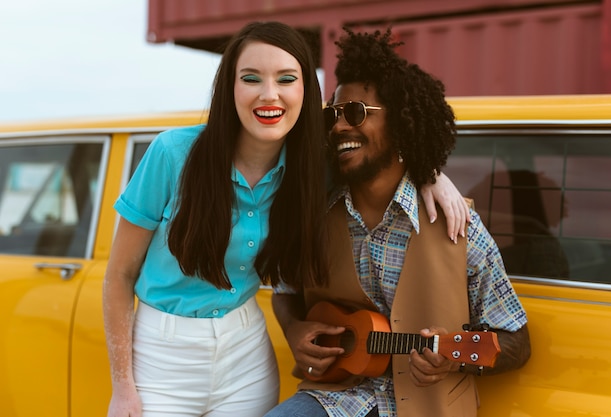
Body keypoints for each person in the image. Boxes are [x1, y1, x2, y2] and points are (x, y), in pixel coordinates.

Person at [102, 21, 468, 417]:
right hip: (161, 358)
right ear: (231, 88)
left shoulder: (312, 168)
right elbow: (119, 276)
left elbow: (385, 155)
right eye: (251, 78)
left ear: (305, 92)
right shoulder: (173, 153)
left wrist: (429, 173)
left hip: (244, 355)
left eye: (287, 78)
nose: (269, 94)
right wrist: (123, 387)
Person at [265, 28, 531, 417]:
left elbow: (517, 342)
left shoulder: (458, 227)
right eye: (333, 116)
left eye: (355, 113)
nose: (340, 126)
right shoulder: (314, 215)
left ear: (402, 123)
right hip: (336, 398)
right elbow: (285, 290)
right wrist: (295, 330)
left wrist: (454, 359)